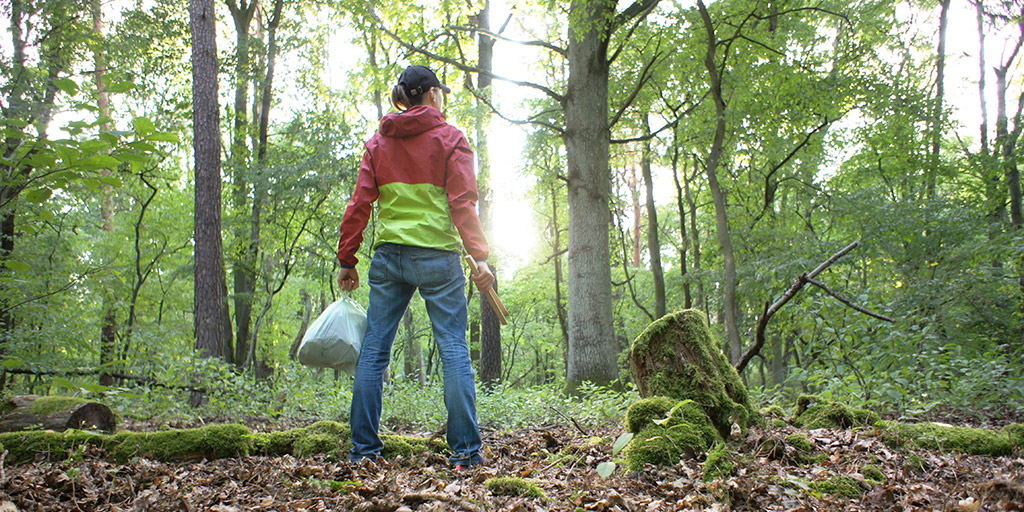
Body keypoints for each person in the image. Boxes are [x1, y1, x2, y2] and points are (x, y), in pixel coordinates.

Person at [336, 64, 494, 468]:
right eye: (441, 92)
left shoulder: (378, 142)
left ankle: (363, 452)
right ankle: (465, 455)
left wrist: (347, 259)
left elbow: (359, 205)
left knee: (373, 352)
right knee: (454, 350)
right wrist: (478, 256)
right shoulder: (452, 139)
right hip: (438, 259)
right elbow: (462, 203)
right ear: (432, 94)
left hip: (390, 258)